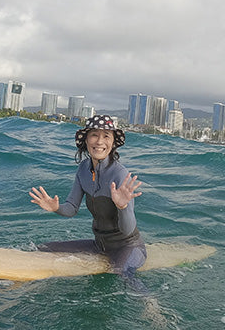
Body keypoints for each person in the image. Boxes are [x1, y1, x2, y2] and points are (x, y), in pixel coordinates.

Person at [29, 114, 147, 287]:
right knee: (43, 248)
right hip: (100, 246)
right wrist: (56, 208)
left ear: (113, 143)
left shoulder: (119, 174)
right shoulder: (84, 169)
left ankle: (151, 306)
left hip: (129, 247)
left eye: (106, 136)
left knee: (121, 273)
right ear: (86, 140)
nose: (99, 141)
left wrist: (122, 206)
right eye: (94, 135)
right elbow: (71, 208)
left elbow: (128, 230)